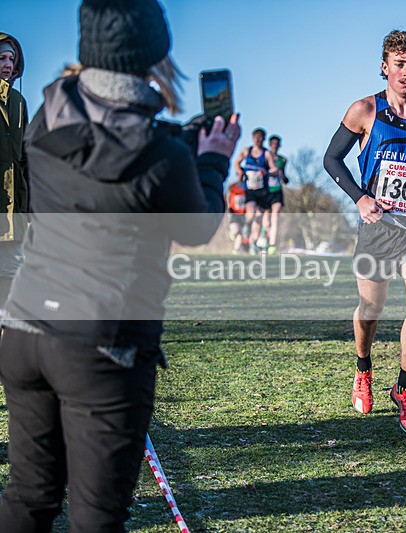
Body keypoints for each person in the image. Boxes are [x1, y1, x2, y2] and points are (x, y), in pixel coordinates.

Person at [0, 0, 240, 530]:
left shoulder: (44, 115)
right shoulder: (162, 155)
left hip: (23, 329)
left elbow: (103, 145)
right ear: (155, 57)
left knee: (27, 499)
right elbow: (197, 226)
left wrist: (181, 145)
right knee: (97, 516)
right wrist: (214, 161)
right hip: (101, 347)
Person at [324, 29, 406, 437]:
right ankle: (363, 368)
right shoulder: (364, 110)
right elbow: (332, 159)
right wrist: (360, 198)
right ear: (385, 67)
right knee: (371, 310)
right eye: (399, 64)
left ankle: (404, 389)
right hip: (378, 227)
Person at [0, 33, 28, 304]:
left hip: (14, 211)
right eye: (1, 58)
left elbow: (25, 158)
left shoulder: (19, 102)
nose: (8, 64)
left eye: (12, 58)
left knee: (10, 274)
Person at [234, 128, 278, 254]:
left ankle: (253, 241)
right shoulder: (246, 151)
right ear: (253, 138)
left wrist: (267, 171)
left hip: (262, 190)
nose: (258, 140)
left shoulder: (267, 154)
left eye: (260, 138)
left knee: (259, 216)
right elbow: (237, 163)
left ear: (263, 139)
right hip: (250, 189)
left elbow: (275, 170)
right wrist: (239, 171)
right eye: (256, 137)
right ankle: (245, 229)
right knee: (251, 214)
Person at [259, 133, 289, 254]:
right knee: (266, 218)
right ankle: (264, 236)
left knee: (275, 215)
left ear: (279, 145)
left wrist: (285, 178)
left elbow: (284, 176)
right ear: (270, 145)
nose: (275, 146)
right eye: (273, 144)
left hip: (277, 191)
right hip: (266, 191)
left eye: (277, 144)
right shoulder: (265, 157)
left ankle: (272, 244)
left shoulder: (283, 160)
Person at [226, 174, 248, 253]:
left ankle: (235, 250)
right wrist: (229, 207)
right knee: (235, 230)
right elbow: (228, 197)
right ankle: (232, 233)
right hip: (234, 212)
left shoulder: (247, 187)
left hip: (243, 214)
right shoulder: (232, 186)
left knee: (240, 233)